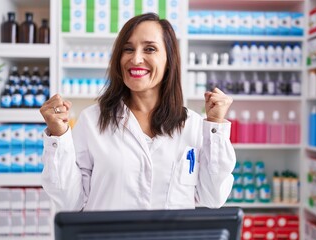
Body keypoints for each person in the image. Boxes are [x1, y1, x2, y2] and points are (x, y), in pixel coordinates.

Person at [40, 13, 236, 211]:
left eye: (149, 49)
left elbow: (213, 197)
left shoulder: (192, 124)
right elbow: (70, 202)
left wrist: (215, 125)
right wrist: (58, 135)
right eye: (128, 49)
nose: (136, 58)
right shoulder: (92, 120)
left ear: (169, 59)